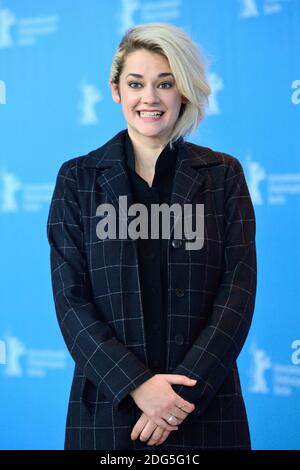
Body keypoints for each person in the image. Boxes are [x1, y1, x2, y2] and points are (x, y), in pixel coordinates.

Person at [47, 22, 257, 450]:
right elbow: (71, 300)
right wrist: (138, 387)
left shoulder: (223, 175)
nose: (150, 98)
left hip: (204, 408)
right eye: (136, 83)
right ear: (115, 90)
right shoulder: (78, 178)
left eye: (165, 83)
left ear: (183, 91)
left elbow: (237, 290)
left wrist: (177, 400)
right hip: (109, 407)